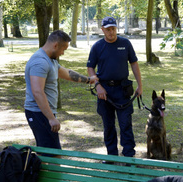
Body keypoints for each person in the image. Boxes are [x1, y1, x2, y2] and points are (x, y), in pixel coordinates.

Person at [24, 30, 97, 151]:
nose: (62, 53)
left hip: (43, 113)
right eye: (63, 49)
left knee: (48, 152)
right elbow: (37, 92)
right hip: (38, 113)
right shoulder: (40, 62)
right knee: (52, 154)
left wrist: (89, 80)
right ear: (55, 45)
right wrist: (51, 118)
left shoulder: (50, 60)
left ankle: (44, 169)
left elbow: (67, 73)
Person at [87, 16, 143, 159]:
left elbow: (134, 64)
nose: (111, 32)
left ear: (116, 28)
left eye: (113, 29)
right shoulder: (97, 47)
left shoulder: (125, 43)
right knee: (108, 126)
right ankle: (111, 156)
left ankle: (129, 156)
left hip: (122, 90)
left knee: (125, 124)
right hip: (104, 91)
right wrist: (97, 85)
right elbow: (90, 68)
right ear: (102, 30)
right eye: (108, 29)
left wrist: (140, 85)